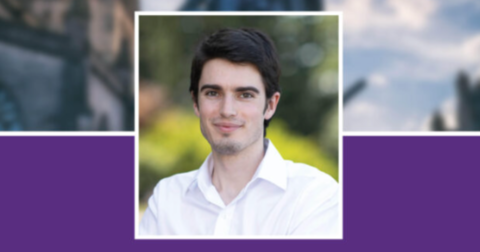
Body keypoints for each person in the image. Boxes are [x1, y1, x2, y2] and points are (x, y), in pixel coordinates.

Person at [139, 28, 340, 237]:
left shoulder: (314, 195)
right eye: (213, 93)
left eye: (245, 95)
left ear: (271, 105)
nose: (227, 110)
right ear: (195, 103)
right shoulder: (167, 197)